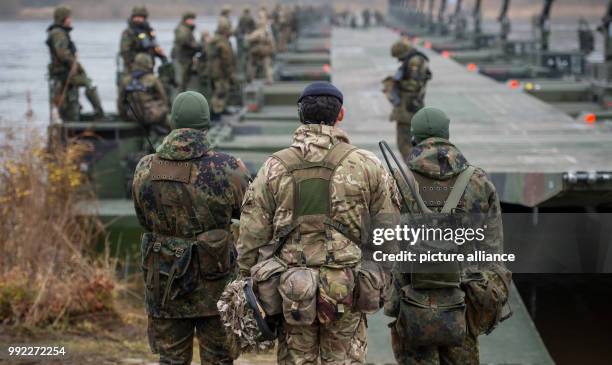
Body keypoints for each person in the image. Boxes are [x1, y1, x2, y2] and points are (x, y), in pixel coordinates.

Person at [237, 82, 401, 364]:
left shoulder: (274, 166)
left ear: (301, 115)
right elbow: (389, 232)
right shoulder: (367, 164)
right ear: (341, 115)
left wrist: (247, 281)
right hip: (347, 287)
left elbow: (252, 234)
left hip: (290, 291)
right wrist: (378, 279)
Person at [133, 91, 251, 365]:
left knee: (170, 359)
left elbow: (143, 218)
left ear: (172, 122)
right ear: (206, 124)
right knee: (219, 359)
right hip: (217, 282)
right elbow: (249, 214)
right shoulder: (229, 167)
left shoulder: (144, 168)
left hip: (165, 280)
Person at [387, 107, 511, 365]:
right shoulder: (477, 181)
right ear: (447, 135)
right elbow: (492, 248)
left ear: (414, 138)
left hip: (413, 298)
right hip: (463, 299)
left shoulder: (398, 180)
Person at [46, 5, 104, 121]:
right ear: (62, 19)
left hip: (66, 73)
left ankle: (81, 115)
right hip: (64, 74)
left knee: (72, 101)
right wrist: (76, 65)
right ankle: (99, 113)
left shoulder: (59, 32)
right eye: (68, 18)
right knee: (89, 84)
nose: (70, 20)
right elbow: (63, 54)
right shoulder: (58, 33)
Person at [383, 40, 431, 161]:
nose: (399, 60)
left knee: (405, 144)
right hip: (409, 108)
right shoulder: (414, 59)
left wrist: (394, 83)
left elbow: (414, 85)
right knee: (408, 143)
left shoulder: (415, 61)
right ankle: (415, 169)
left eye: (399, 57)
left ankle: (414, 170)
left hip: (408, 109)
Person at [118, 53, 168, 129]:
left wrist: (124, 117)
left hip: (134, 116)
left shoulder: (126, 80)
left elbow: (120, 102)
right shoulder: (153, 79)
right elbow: (164, 98)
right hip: (151, 115)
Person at [120, 5, 166, 72]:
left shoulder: (148, 31)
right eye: (136, 17)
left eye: (141, 17)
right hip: (133, 69)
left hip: (149, 67)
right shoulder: (128, 33)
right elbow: (125, 52)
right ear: (133, 18)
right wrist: (136, 63)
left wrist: (161, 55)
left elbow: (153, 46)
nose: (139, 19)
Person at [208, 20, 235, 119]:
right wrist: (230, 73)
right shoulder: (222, 42)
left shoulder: (214, 40)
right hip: (221, 71)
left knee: (219, 90)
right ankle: (216, 112)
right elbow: (226, 60)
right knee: (220, 91)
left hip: (214, 70)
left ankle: (221, 109)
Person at [172, 11, 201, 91]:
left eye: (192, 19)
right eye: (190, 19)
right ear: (185, 20)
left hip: (187, 58)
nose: (192, 21)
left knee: (185, 81)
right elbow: (183, 41)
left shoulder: (188, 29)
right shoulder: (182, 29)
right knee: (180, 82)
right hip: (181, 59)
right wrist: (196, 46)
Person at [246, 17, 275, 83]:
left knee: (253, 65)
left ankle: (250, 79)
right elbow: (272, 42)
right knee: (267, 66)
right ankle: (270, 79)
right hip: (265, 51)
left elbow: (250, 39)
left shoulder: (257, 32)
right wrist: (272, 49)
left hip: (257, 51)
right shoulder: (267, 32)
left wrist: (247, 37)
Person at [236, 8, 256, 74]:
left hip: (241, 37)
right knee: (248, 54)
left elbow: (238, 27)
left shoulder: (240, 18)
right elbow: (254, 27)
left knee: (241, 54)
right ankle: (247, 71)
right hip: (249, 37)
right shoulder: (251, 18)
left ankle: (240, 70)